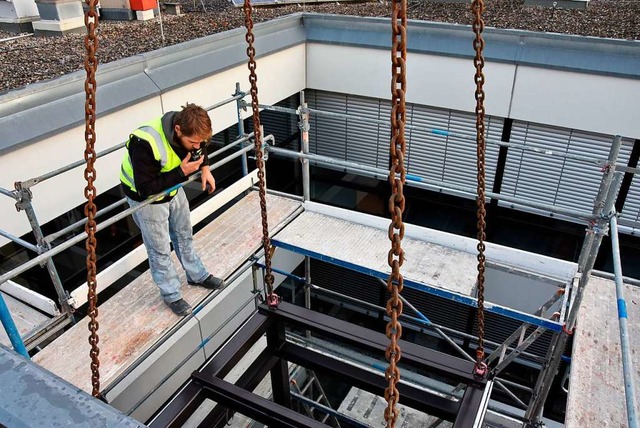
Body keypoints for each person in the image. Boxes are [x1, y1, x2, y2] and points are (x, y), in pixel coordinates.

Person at [120, 103, 224, 316]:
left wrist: (205, 168)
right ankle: (172, 295)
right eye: (192, 142)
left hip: (173, 189)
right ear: (177, 130)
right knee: (159, 249)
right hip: (148, 200)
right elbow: (145, 189)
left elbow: (201, 147)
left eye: (200, 142)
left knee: (184, 235)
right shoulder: (144, 143)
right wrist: (181, 172)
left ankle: (197, 275)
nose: (197, 147)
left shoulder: (191, 131)